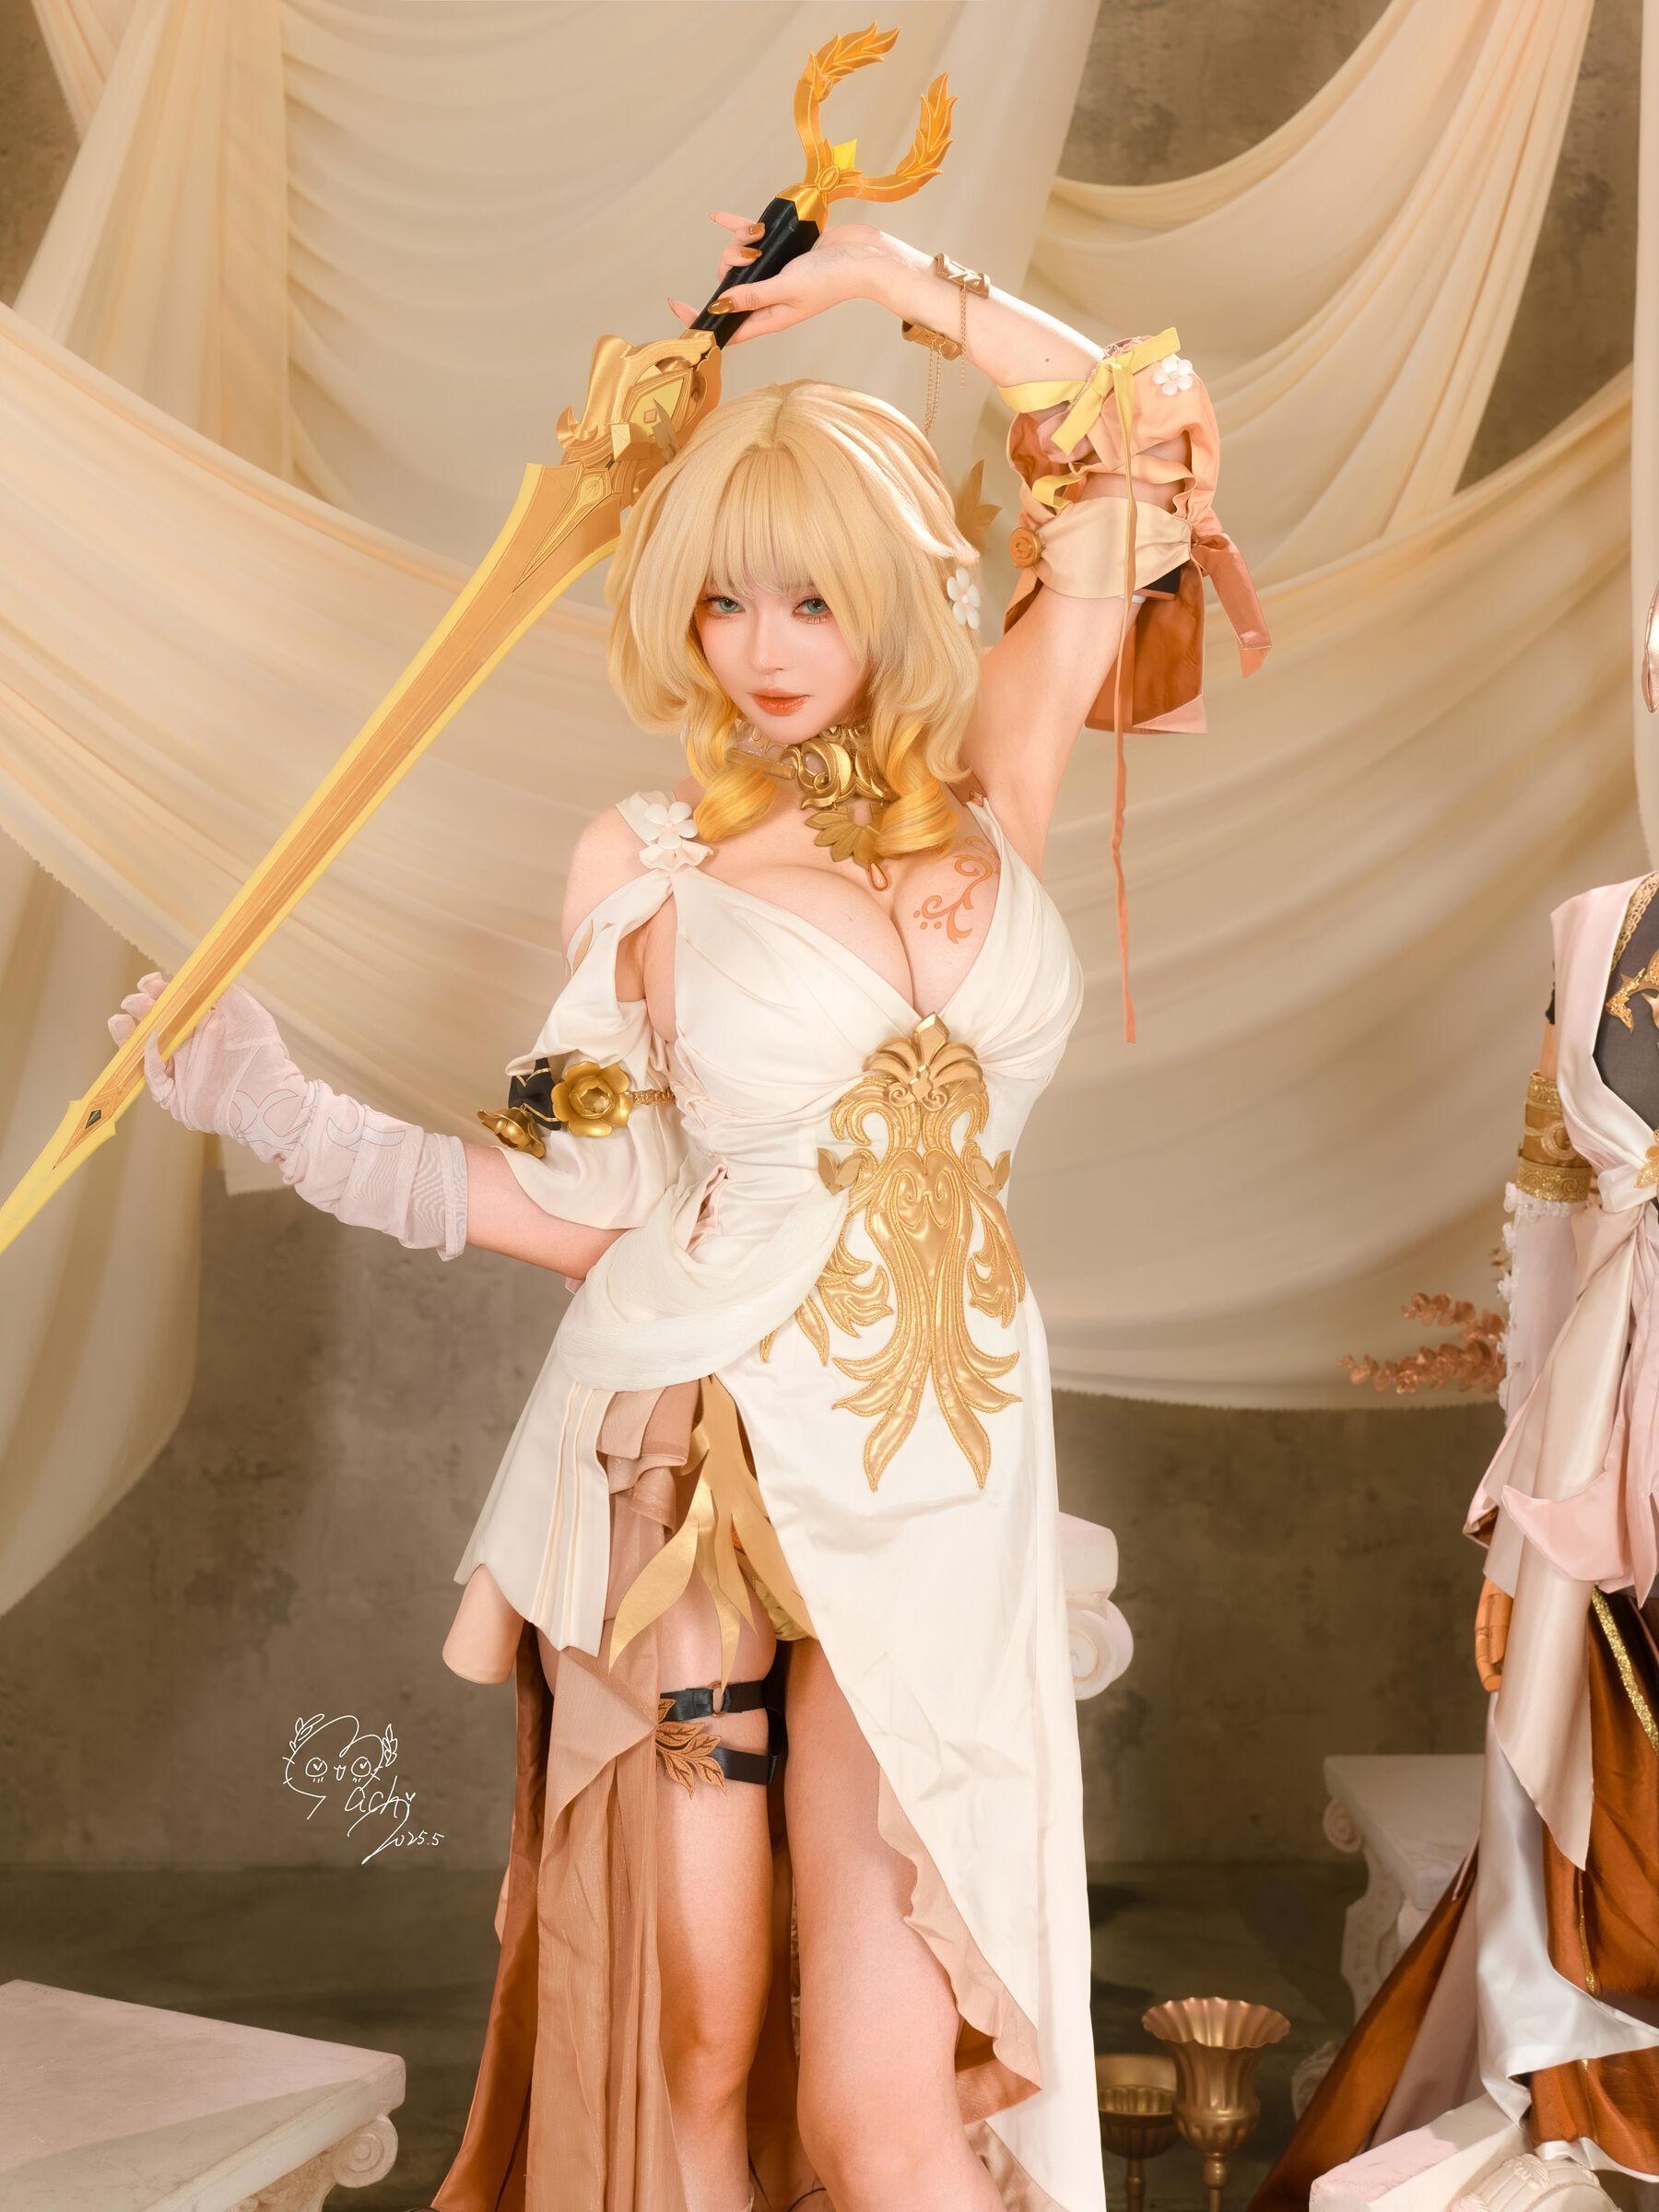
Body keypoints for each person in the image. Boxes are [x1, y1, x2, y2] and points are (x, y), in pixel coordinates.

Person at [109, 213, 1265, 2212]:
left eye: (809, 597)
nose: (761, 646)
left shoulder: (997, 781)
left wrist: (889, 278)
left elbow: (1135, 423)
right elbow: (575, 1204)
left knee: (888, 2107)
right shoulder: (647, 867)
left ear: (895, 597)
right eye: (723, 600)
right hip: (695, 1477)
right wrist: (278, 1110)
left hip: (945, 1500)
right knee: (698, 2040)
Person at [1251, 874, 1659, 2211]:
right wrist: (1511, 1539)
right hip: (1598, 1458)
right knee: (1594, 1857)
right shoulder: (1604, 932)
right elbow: (1548, 1231)